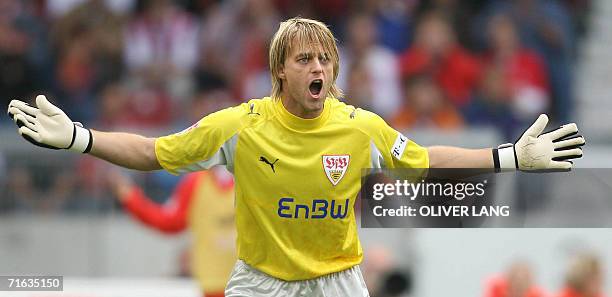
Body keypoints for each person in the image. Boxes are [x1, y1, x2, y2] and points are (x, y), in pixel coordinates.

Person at [7, 17, 585, 296]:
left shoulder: (360, 128)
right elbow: (152, 153)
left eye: (325, 60)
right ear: (280, 70)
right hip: (262, 284)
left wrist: (509, 157)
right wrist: (81, 138)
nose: (317, 69)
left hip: (337, 280)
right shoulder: (240, 126)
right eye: (304, 59)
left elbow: (428, 158)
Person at [107, 167, 236, 297]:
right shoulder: (195, 183)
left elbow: (169, 221)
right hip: (216, 286)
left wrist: (129, 197)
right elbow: (169, 221)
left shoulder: (248, 175)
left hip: (248, 283)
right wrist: (130, 197)